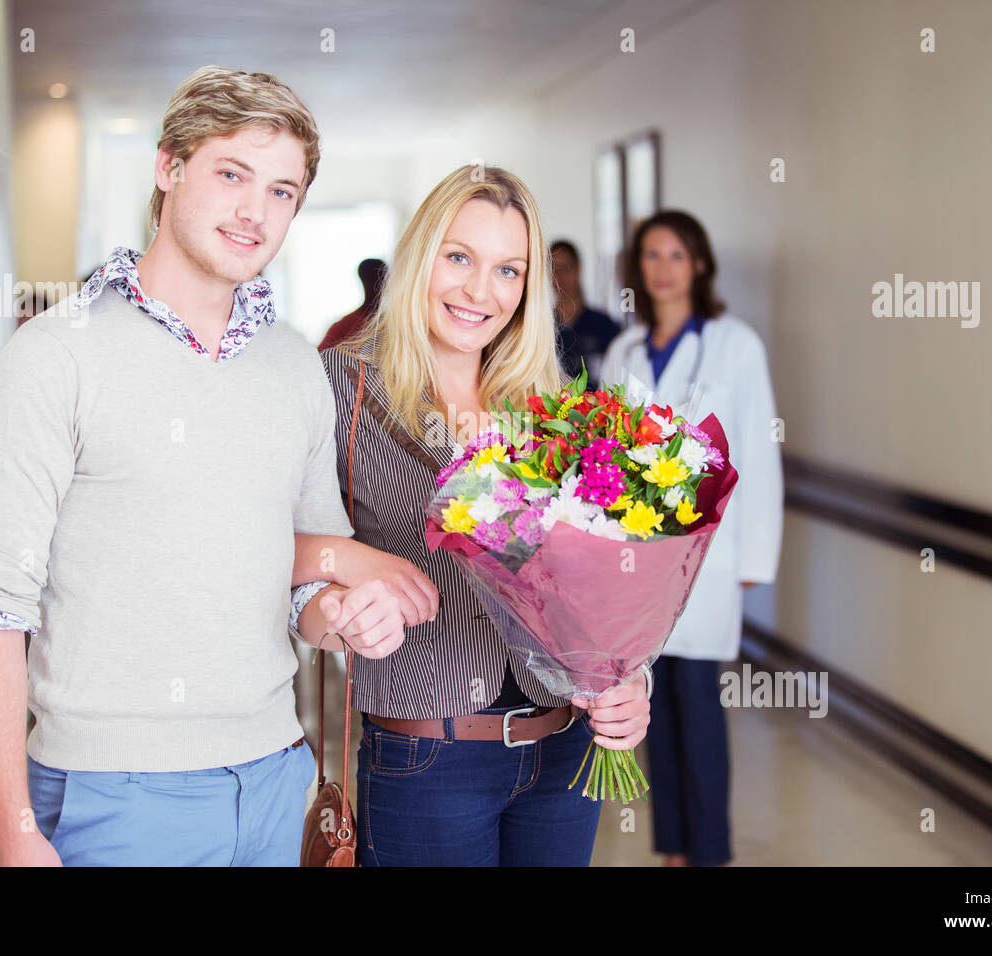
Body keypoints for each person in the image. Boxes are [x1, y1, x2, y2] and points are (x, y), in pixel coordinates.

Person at [0, 66, 408, 867]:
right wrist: (11, 826)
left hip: (275, 778)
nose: (254, 212)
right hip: (110, 797)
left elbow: (306, 578)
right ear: (169, 167)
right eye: (233, 174)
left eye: (282, 191)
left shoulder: (297, 366)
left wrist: (346, 616)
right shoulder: (54, 356)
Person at [296, 165, 653, 866]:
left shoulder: (550, 402)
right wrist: (351, 580)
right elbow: (273, 540)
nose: (479, 292)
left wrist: (631, 679)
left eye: (508, 270)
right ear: (421, 256)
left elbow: (608, 577)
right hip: (429, 758)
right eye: (459, 257)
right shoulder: (338, 385)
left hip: (564, 754)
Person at [600, 209, 784, 866]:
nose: (663, 268)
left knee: (699, 710)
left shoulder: (736, 345)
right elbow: (609, 460)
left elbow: (759, 453)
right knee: (656, 709)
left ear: (700, 264)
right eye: (651, 255)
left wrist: (756, 555)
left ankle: (709, 852)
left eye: (676, 255)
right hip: (641, 559)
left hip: (709, 559)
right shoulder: (624, 352)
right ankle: (673, 847)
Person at [549, 239, 620, 388]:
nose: (560, 277)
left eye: (565, 268)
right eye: (554, 269)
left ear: (578, 268)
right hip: (555, 409)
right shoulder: (541, 328)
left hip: (600, 408)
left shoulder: (605, 326)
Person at [319, 257, 387, 349]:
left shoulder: (396, 322)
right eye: (371, 280)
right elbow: (319, 358)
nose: (376, 286)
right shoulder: (345, 326)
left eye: (380, 280)